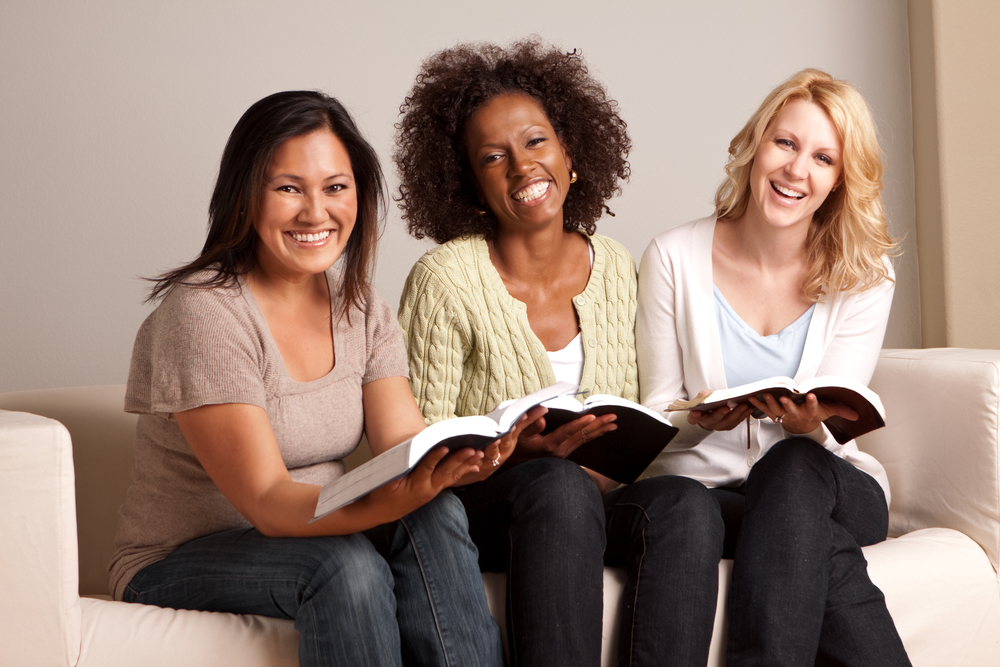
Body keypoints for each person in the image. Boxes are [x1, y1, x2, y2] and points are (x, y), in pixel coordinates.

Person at [109, 91, 509, 667]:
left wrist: (469, 456)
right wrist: (401, 497)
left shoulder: (363, 307)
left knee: (436, 512)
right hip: (181, 558)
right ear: (245, 195)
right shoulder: (204, 312)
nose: (315, 212)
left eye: (336, 187)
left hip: (313, 532)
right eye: (289, 188)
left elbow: (401, 444)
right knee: (346, 566)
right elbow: (269, 503)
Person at [395, 39, 722, 667]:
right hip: (490, 504)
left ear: (571, 154)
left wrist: (695, 413)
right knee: (555, 483)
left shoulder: (620, 267)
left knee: (686, 502)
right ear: (469, 181)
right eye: (494, 156)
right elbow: (411, 447)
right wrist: (511, 456)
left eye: (536, 142)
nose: (522, 167)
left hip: (599, 497)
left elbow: (642, 407)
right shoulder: (445, 279)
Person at [637, 69, 911, 666]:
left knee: (792, 467)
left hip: (833, 485)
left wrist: (807, 427)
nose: (796, 171)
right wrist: (699, 419)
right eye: (784, 144)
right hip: (714, 498)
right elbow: (658, 410)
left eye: (823, 158)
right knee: (816, 550)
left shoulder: (865, 276)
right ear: (754, 145)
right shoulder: (673, 257)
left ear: (840, 181)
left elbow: (837, 424)